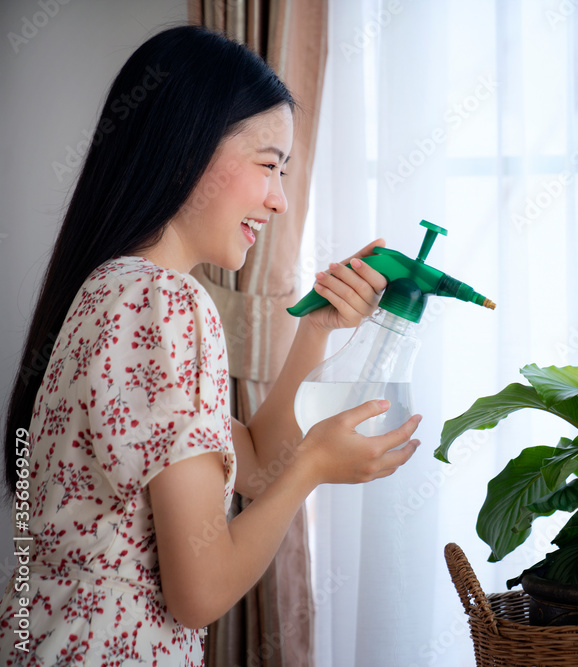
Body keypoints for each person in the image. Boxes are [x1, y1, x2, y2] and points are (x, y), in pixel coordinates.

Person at [0, 23, 421, 665]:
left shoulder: (111, 293)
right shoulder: (164, 302)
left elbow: (253, 461)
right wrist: (313, 469)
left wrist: (316, 328)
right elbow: (200, 592)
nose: (279, 200)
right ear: (185, 149)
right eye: (269, 166)